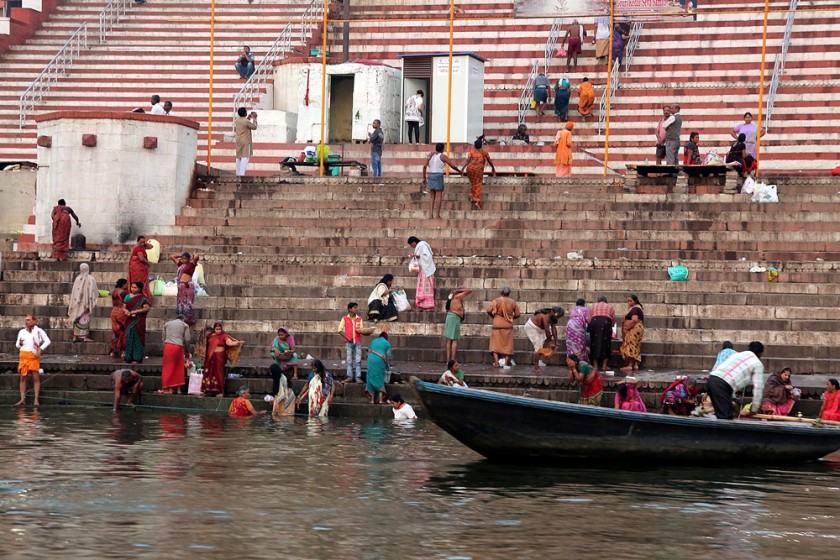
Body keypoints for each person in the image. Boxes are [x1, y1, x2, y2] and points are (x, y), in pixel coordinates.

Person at [706, 341, 766, 420]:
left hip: (711, 379)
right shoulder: (757, 364)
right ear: (760, 353)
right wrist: (754, 409)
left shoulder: (738, 354)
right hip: (722, 385)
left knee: (722, 415)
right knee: (725, 419)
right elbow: (758, 389)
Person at [15, 314, 51, 406]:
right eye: (26, 320)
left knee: (35, 378)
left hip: (33, 356)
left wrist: (40, 349)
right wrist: (20, 343)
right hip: (24, 356)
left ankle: (36, 400)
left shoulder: (39, 331)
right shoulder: (22, 332)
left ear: (34, 321)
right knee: (23, 378)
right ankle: (22, 399)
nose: (26, 322)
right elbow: (17, 345)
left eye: (28, 320)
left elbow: (47, 341)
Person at [202, 322, 243, 397]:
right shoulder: (209, 336)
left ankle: (219, 391)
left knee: (219, 373)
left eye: (219, 329)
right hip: (210, 357)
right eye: (216, 329)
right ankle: (208, 390)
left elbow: (229, 343)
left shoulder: (224, 336)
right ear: (214, 329)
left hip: (219, 357)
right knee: (209, 373)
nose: (218, 331)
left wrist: (237, 343)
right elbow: (204, 345)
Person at [422, 143, 461, 219]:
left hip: (431, 175)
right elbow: (452, 166)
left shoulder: (430, 156)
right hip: (438, 175)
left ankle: (430, 215)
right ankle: (437, 215)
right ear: (442, 149)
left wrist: (424, 178)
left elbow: (424, 167)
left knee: (432, 197)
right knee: (439, 196)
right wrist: (459, 171)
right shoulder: (443, 156)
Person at [487, 286, 521, 369]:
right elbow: (517, 314)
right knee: (507, 344)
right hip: (507, 325)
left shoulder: (496, 301)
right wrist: (511, 317)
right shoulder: (512, 302)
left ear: (501, 292)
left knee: (495, 344)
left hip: (497, 324)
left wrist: (493, 316)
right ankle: (506, 363)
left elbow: (488, 310)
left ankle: (496, 363)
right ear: (509, 293)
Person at [524, 307, 563, 374]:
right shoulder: (545, 316)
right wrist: (550, 341)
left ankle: (538, 358)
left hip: (540, 329)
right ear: (553, 312)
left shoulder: (553, 317)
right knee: (538, 347)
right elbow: (547, 330)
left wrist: (556, 341)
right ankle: (536, 367)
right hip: (531, 327)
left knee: (544, 343)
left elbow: (554, 329)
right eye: (557, 316)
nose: (557, 318)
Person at [68, 263, 98, 343]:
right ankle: (84, 337)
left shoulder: (78, 279)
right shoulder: (91, 279)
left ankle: (75, 336)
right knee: (85, 319)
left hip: (77, 303)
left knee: (77, 317)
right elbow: (94, 291)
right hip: (87, 304)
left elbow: (74, 293)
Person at [462, 138, 496, 210]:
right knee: (477, 184)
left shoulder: (471, 152)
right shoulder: (485, 152)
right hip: (478, 170)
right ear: (481, 146)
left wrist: (462, 168)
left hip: (470, 169)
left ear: (474, 146)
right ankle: (477, 201)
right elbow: (489, 161)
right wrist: (493, 168)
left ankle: (472, 196)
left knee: (473, 183)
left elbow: (467, 161)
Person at [160, 315, 190, 394]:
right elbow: (187, 339)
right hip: (178, 346)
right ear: (183, 320)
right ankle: (178, 389)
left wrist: (165, 344)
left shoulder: (167, 324)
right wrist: (187, 351)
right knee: (179, 367)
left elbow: (163, 337)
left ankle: (168, 388)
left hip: (168, 346)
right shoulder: (185, 325)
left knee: (168, 367)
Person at [123, 281, 151, 364]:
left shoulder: (143, 298)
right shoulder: (127, 296)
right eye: (132, 287)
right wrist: (126, 311)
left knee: (138, 339)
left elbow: (146, 308)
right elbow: (123, 307)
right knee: (129, 338)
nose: (133, 289)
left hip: (139, 321)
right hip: (129, 320)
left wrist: (135, 311)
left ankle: (137, 358)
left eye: (135, 287)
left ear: (139, 289)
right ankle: (128, 357)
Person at [170, 251, 199, 326]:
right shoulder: (181, 265)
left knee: (188, 303)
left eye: (185, 258)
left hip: (188, 286)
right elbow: (172, 256)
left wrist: (194, 254)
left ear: (189, 259)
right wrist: (181, 255)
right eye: (183, 259)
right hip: (181, 286)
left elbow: (196, 257)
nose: (184, 260)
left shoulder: (192, 265)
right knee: (181, 303)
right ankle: (181, 318)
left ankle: (189, 320)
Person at [444, 287, 472, 363]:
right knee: (454, 340)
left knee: (449, 339)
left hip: (450, 317)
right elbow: (469, 290)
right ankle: (452, 360)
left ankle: (448, 360)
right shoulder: (457, 296)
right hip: (454, 318)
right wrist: (459, 289)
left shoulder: (452, 297)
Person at [408, 236, 436, 311]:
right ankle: (422, 305)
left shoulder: (422, 245)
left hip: (426, 271)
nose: (412, 246)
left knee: (426, 288)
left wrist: (416, 256)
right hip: (423, 271)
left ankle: (427, 305)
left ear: (413, 242)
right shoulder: (420, 246)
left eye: (411, 244)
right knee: (423, 287)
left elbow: (428, 256)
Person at [339, 302, 364, 382]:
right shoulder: (345, 318)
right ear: (350, 309)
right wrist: (347, 337)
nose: (357, 309)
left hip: (358, 342)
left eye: (357, 307)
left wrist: (365, 332)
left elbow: (361, 329)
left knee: (358, 360)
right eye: (355, 308)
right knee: (349, 360)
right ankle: (349, 377)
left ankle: (358, 377)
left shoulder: (359, 319)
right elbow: (340, 330)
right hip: (348, 342)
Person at [589, 295, 616, 370]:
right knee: (606, 343)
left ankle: (595, 365)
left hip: (594, 322)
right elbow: (613, 320)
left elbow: (589, 319)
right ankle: (604, 366)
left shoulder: (594, 306)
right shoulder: (610, 307)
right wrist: (611, 325)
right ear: (606, 301)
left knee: (594, 343)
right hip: (606, 322)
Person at [619, 294, 644, 373]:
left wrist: (626, 327)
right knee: (636, 346)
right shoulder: (638, 308)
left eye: (631, 301)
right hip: (638, 329)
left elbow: (634, 320)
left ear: (635, 301)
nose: (629, 303)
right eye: (628, 301)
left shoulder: (635, 309)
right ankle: (635, 365)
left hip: (634, 329)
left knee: (631, 346)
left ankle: (630, 365)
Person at [366, 332, 392, 404]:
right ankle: (380, 400)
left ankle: (372, 400)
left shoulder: (373, 341)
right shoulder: (387, 343)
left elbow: (368, 351)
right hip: (380, 361)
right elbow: (389, 357)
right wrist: (388, 366)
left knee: (370, 377)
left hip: (371, 360)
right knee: (379, 378)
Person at [127, 236, 154, 304]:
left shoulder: (142, 247)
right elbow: (141, 259)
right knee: (138, 283)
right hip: (137, 269)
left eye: (143, 242)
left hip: (140, 268)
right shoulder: (138, 248)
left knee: (141, 283)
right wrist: (148, 263)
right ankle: (136, 298)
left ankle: (141, 297)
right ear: (137, 241)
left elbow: (151, 246)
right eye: (140, 242)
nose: (142, 243)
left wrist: (145, 243)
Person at [566, 298, 591, 365]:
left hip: (569, 325)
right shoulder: (586, 310)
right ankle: (580, 360)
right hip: (578, 326)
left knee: (571, 343)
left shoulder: (573, 310)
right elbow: (589, 320)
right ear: (583, 304)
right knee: (580, 343)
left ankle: (571, 360)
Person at [234, 107, 257, 176]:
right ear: (245, 113)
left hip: (238, 140)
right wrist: (255, 119)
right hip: (245, 141)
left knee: (239, 157)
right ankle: (241, 174)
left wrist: (248, 118)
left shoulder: (237, 120)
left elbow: (243, 124)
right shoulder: (246, 121)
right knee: (244, 157)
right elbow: (254, 127)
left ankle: (238, 173)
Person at [109, 278, 129, 358]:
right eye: (126, 284)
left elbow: (113, 303)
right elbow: (126, 304)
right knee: (123, 331)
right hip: (122, 312)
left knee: (115, 332)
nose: (128, 285)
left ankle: (114, 351)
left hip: (114, 311)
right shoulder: (125, 293)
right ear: (123, 285)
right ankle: (123, 351)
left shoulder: (114, 292)